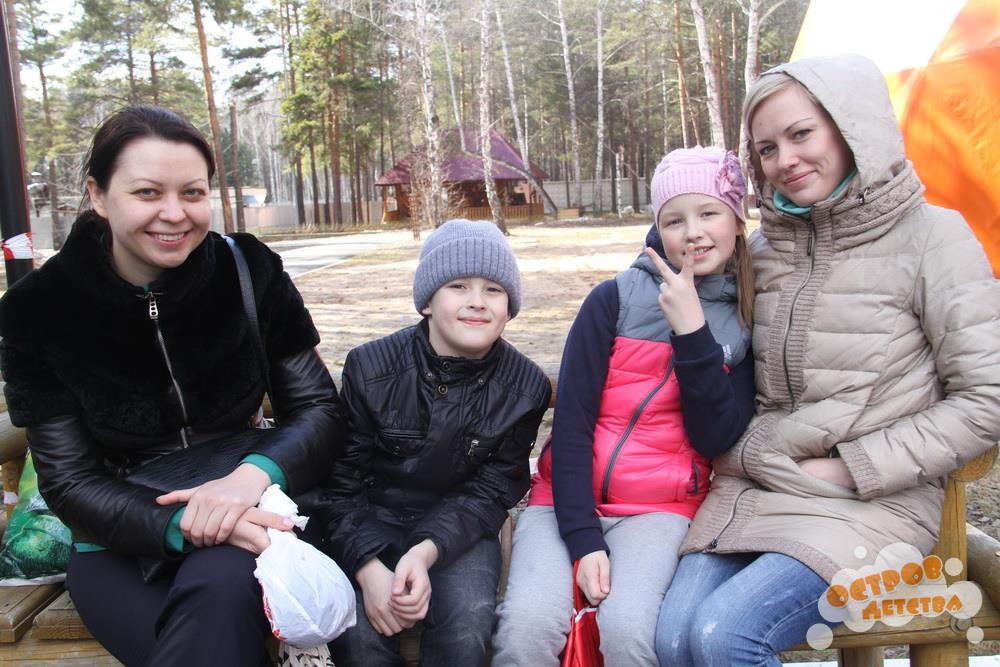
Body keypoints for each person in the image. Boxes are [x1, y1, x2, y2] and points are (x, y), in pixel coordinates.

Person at [655, 53, 1000, 666]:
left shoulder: (933, 237)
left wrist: (854, 469)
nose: (785, 160)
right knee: (672, 636)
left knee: (723, 637)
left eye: (801, 134)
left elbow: (987, 397)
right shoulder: (764, 249)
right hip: (757, 486)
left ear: (851, 127)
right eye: (766, 148)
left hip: (874, 502)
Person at [0, 105, 344, 666]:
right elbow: (69, 480)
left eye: (192, 193)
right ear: (97, 194)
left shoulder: (248, 270)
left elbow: (318, 410)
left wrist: (247, 480)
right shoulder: (37, 309)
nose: (174, 214)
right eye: (147, 193)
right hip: (117, 534)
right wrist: (186, 521)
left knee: (219, 588)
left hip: (260, 507)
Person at [492, 146, 756, 667]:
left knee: (630, 632)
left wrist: (692, 333)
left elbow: (715, 436)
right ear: (658, 227)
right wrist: (584, 539)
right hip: (564, 503)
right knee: (526, 628)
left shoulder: (745, 321)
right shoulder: (612, 300)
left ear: (736, 219)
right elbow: (572, 425)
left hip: (660, 511)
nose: (693, 232)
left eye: (709, 213)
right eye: (675, 220)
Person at [324, 219, 552, 666]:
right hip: (369, 520)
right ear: (428, 301)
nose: (477, 301)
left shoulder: (525, 387)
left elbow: (492, 490)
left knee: (468, 624)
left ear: (509, 307)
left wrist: (425, 551)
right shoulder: (371, 368)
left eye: (494, 290)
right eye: (458, 286)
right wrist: (367, 567)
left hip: (461, 529)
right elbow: (340, 484)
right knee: (359, 636)